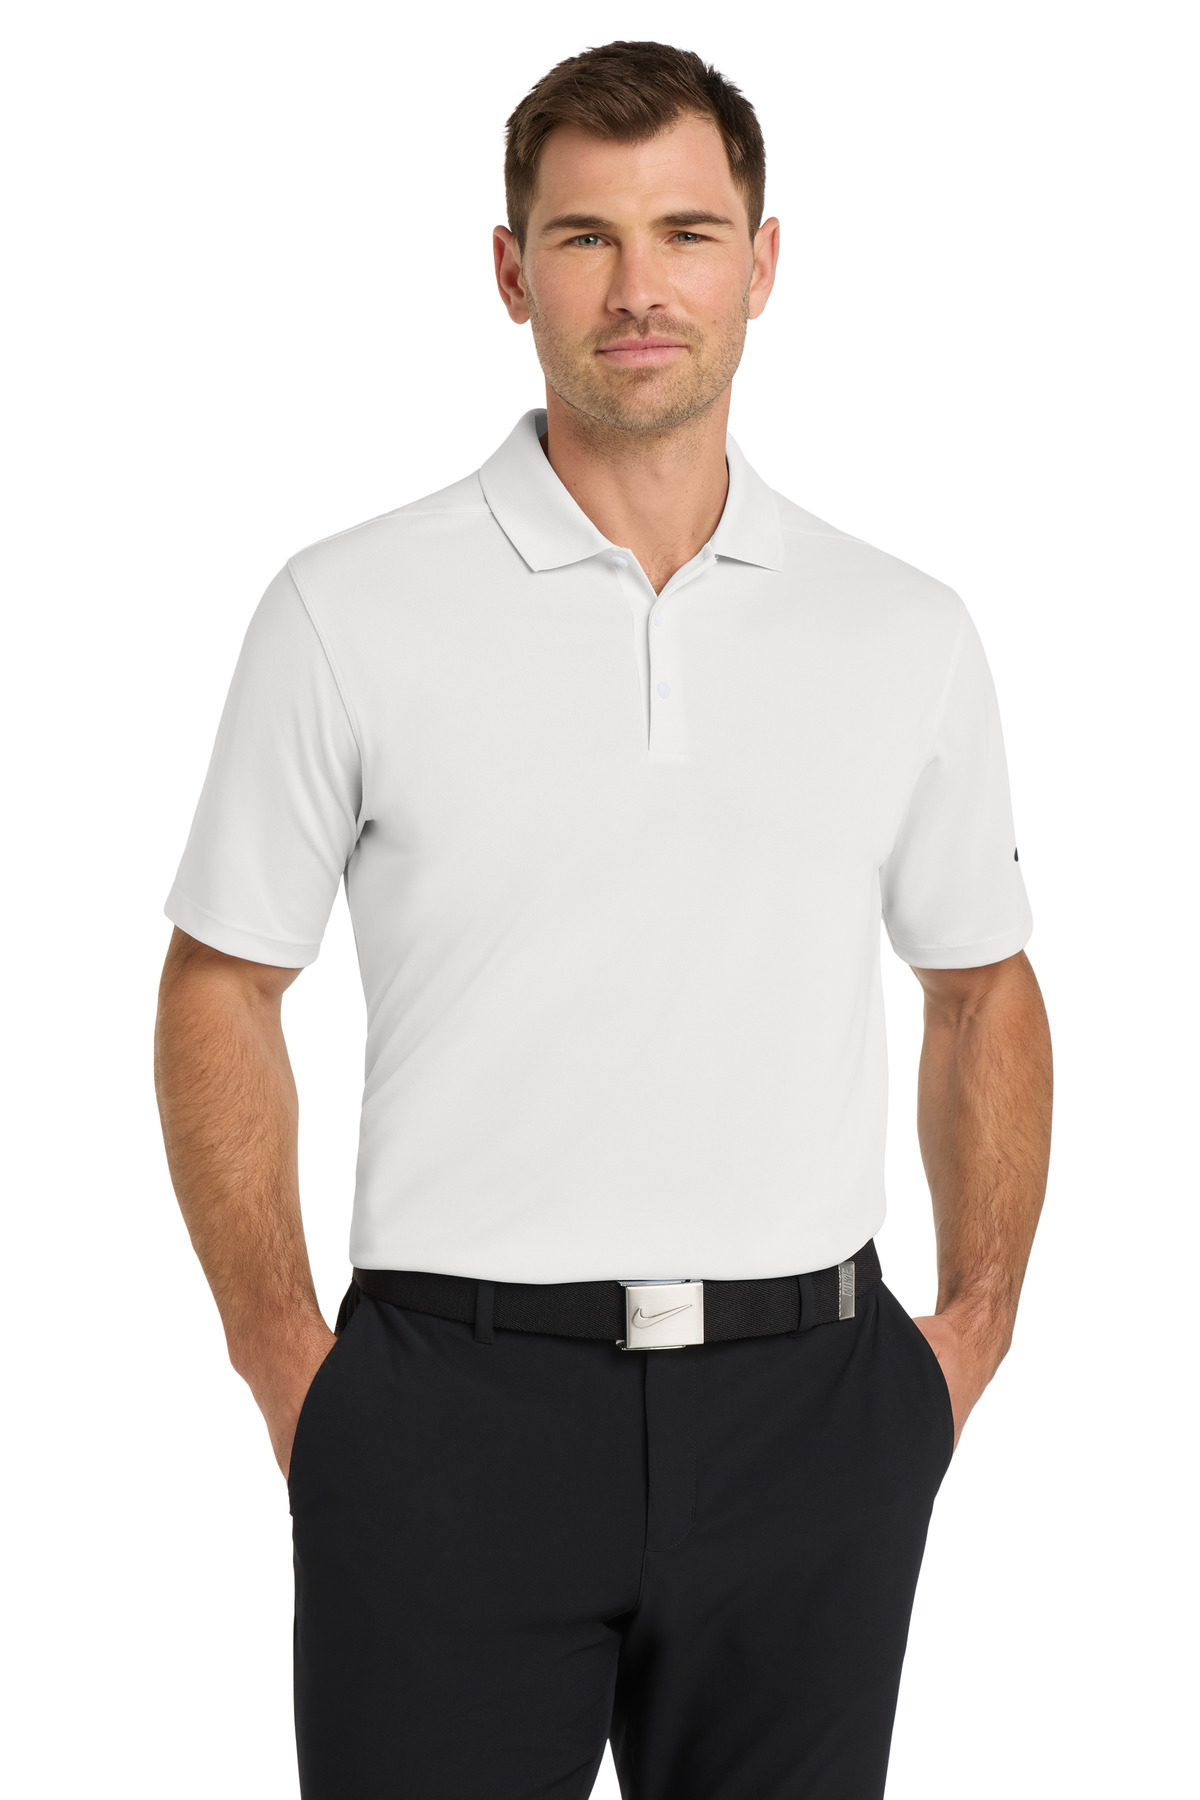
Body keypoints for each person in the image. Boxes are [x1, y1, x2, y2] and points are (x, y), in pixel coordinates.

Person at [154, 39, 1052, 1800]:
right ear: (512, 273)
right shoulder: (347, 608)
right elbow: (221, 983)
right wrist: (288, 1364)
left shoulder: (903, 629)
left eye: (688, 232)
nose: (641, 287)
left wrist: (970, 1335)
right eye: (586, 237)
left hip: (816, 1411)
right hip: (447, 1412)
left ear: (763, 264)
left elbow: (982, 986)